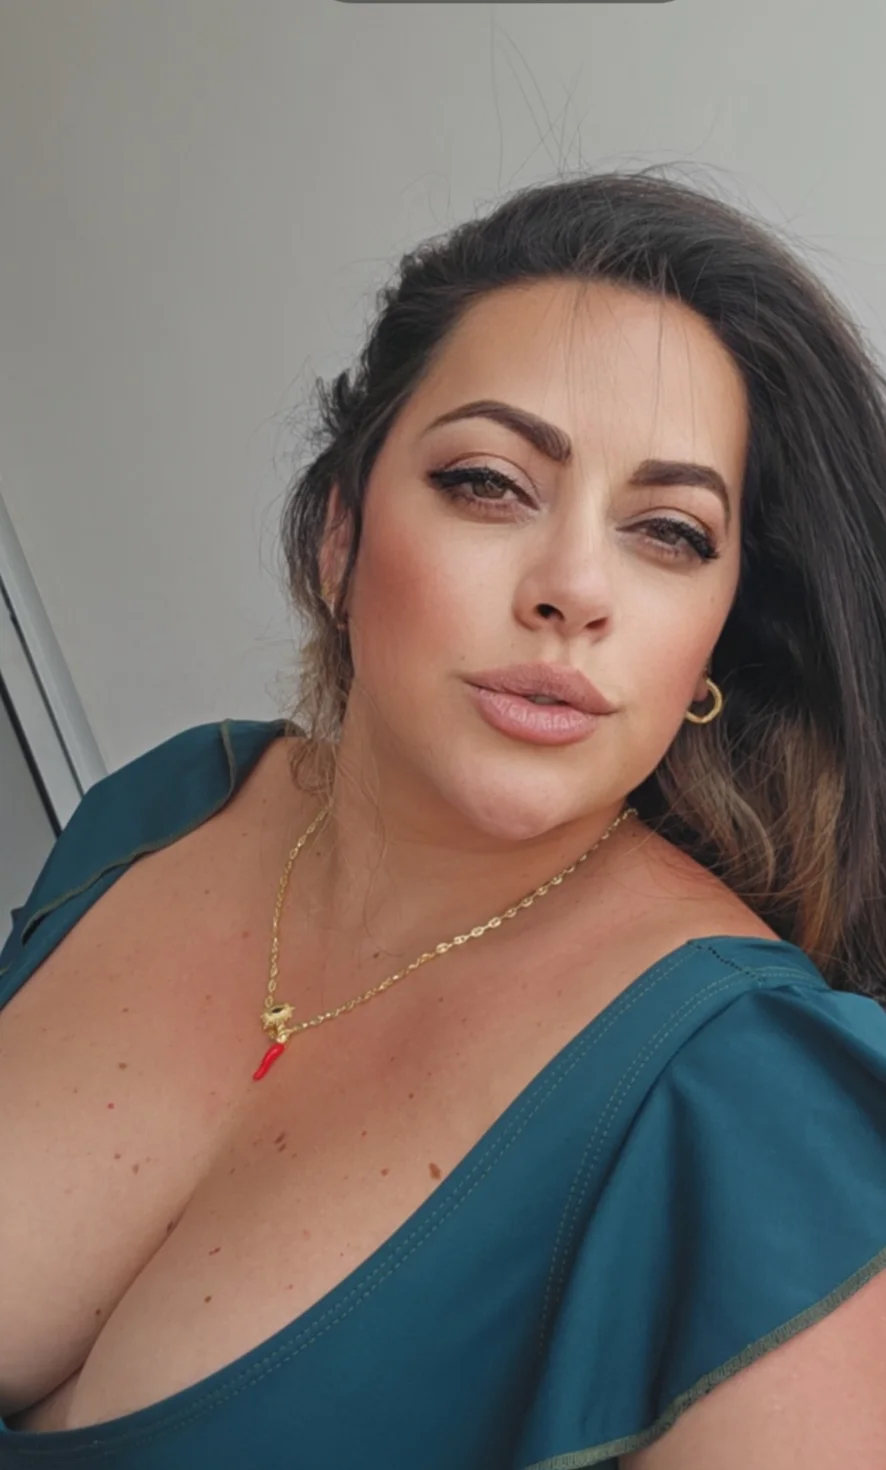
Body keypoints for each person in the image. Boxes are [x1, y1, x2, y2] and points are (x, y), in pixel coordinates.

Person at [1, 166, 886, 1470]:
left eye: (668, 531)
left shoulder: (753, 1105)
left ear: (715, 638)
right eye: (489, 482)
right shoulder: (167, 807)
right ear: (340, 538)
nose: (572, 588)